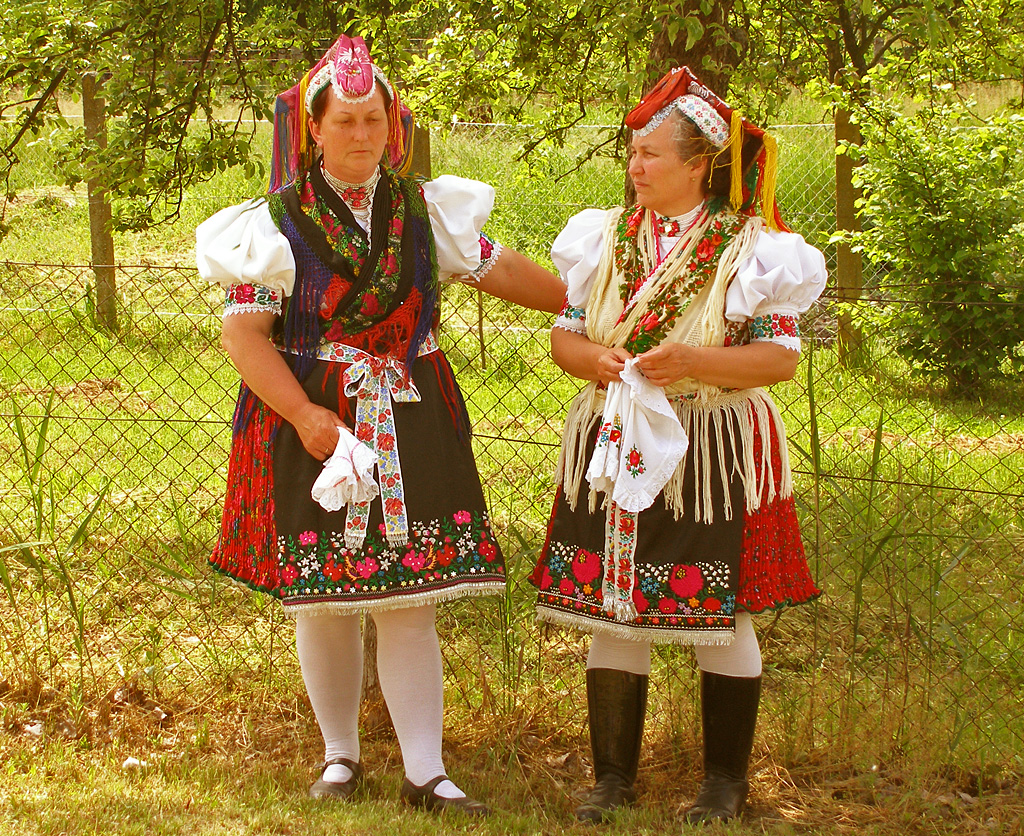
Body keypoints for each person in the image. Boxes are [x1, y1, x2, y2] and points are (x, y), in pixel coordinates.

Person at [196, 34, 564, 816]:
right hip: (314, 418)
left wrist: (584, 306)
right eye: (346, 121)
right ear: (314, 129)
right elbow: (243, 337)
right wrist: (303, 415)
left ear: (392, 124)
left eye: (374, 119)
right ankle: (339, 756)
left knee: (412, 596)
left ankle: (426, 771)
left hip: (413, 410)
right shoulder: (275, 223)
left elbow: (500, 272)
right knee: (322, 598)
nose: (362, 135)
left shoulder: (429, 211)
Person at [529, 66, 827, 824]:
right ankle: (612, 781)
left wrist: (695, 362)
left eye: (652, 154)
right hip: (615, 434)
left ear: (700, 164)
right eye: (632, 153)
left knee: (719, 609)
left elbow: (780, 359)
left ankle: (725, 784)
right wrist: (592, 360)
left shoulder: (751, 249)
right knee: (613, 606)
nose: (635, 167)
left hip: (710, 447)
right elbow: (565, 336)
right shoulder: (602, 237)